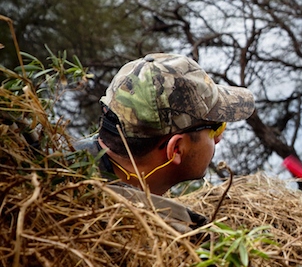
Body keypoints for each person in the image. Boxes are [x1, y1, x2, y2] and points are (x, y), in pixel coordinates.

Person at [77, 53, 256, 233]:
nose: (219, 138)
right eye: (216, 128)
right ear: (176, 149)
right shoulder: (176, 241)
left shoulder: (61, 163)